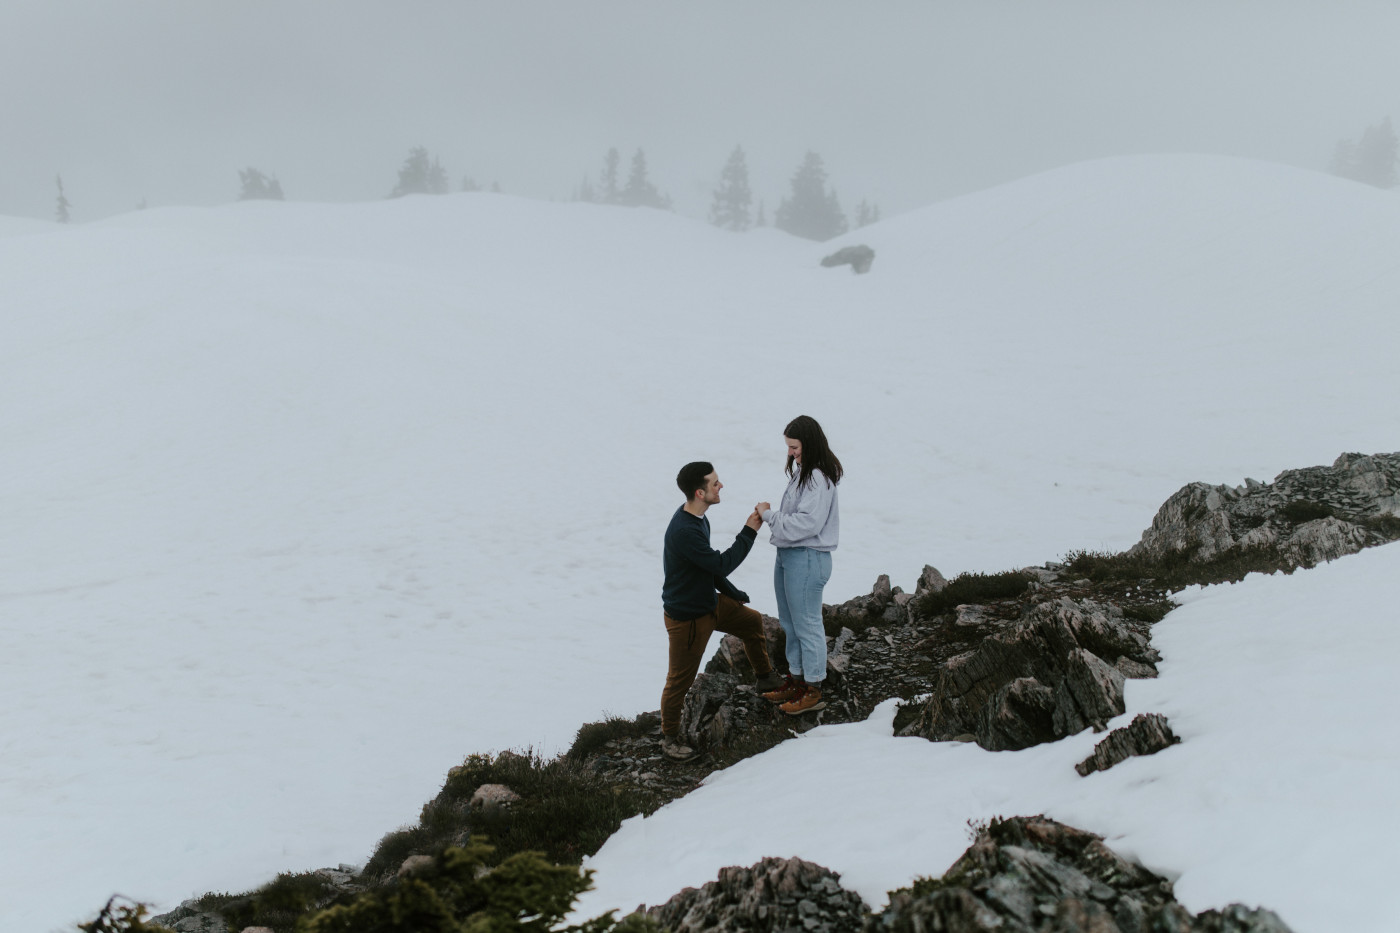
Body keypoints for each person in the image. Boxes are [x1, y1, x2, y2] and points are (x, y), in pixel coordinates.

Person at [660, 461, 784, 761]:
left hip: (709, 602)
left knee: (752, 622)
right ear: (700, 492)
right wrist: (749, 530)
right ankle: (669, 739)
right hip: (688, 618)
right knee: (680, 679)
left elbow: (708, 569)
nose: (721, 486)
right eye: (715, 483)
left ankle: (765, 677)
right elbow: (720, 564)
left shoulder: (698, 519)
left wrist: (731, 593)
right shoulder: (684, 531)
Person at [755, 416, 842, 715]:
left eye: (794, 447)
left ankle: (814, 688)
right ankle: (798, 679)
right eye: (789, 448)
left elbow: (808, 522)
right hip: (791, 555)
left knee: (806, 623)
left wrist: (769, 517)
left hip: (807, 556)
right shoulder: (804, 473)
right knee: (790, 622)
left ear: (809, 442)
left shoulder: (817, 477)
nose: (791, 453)